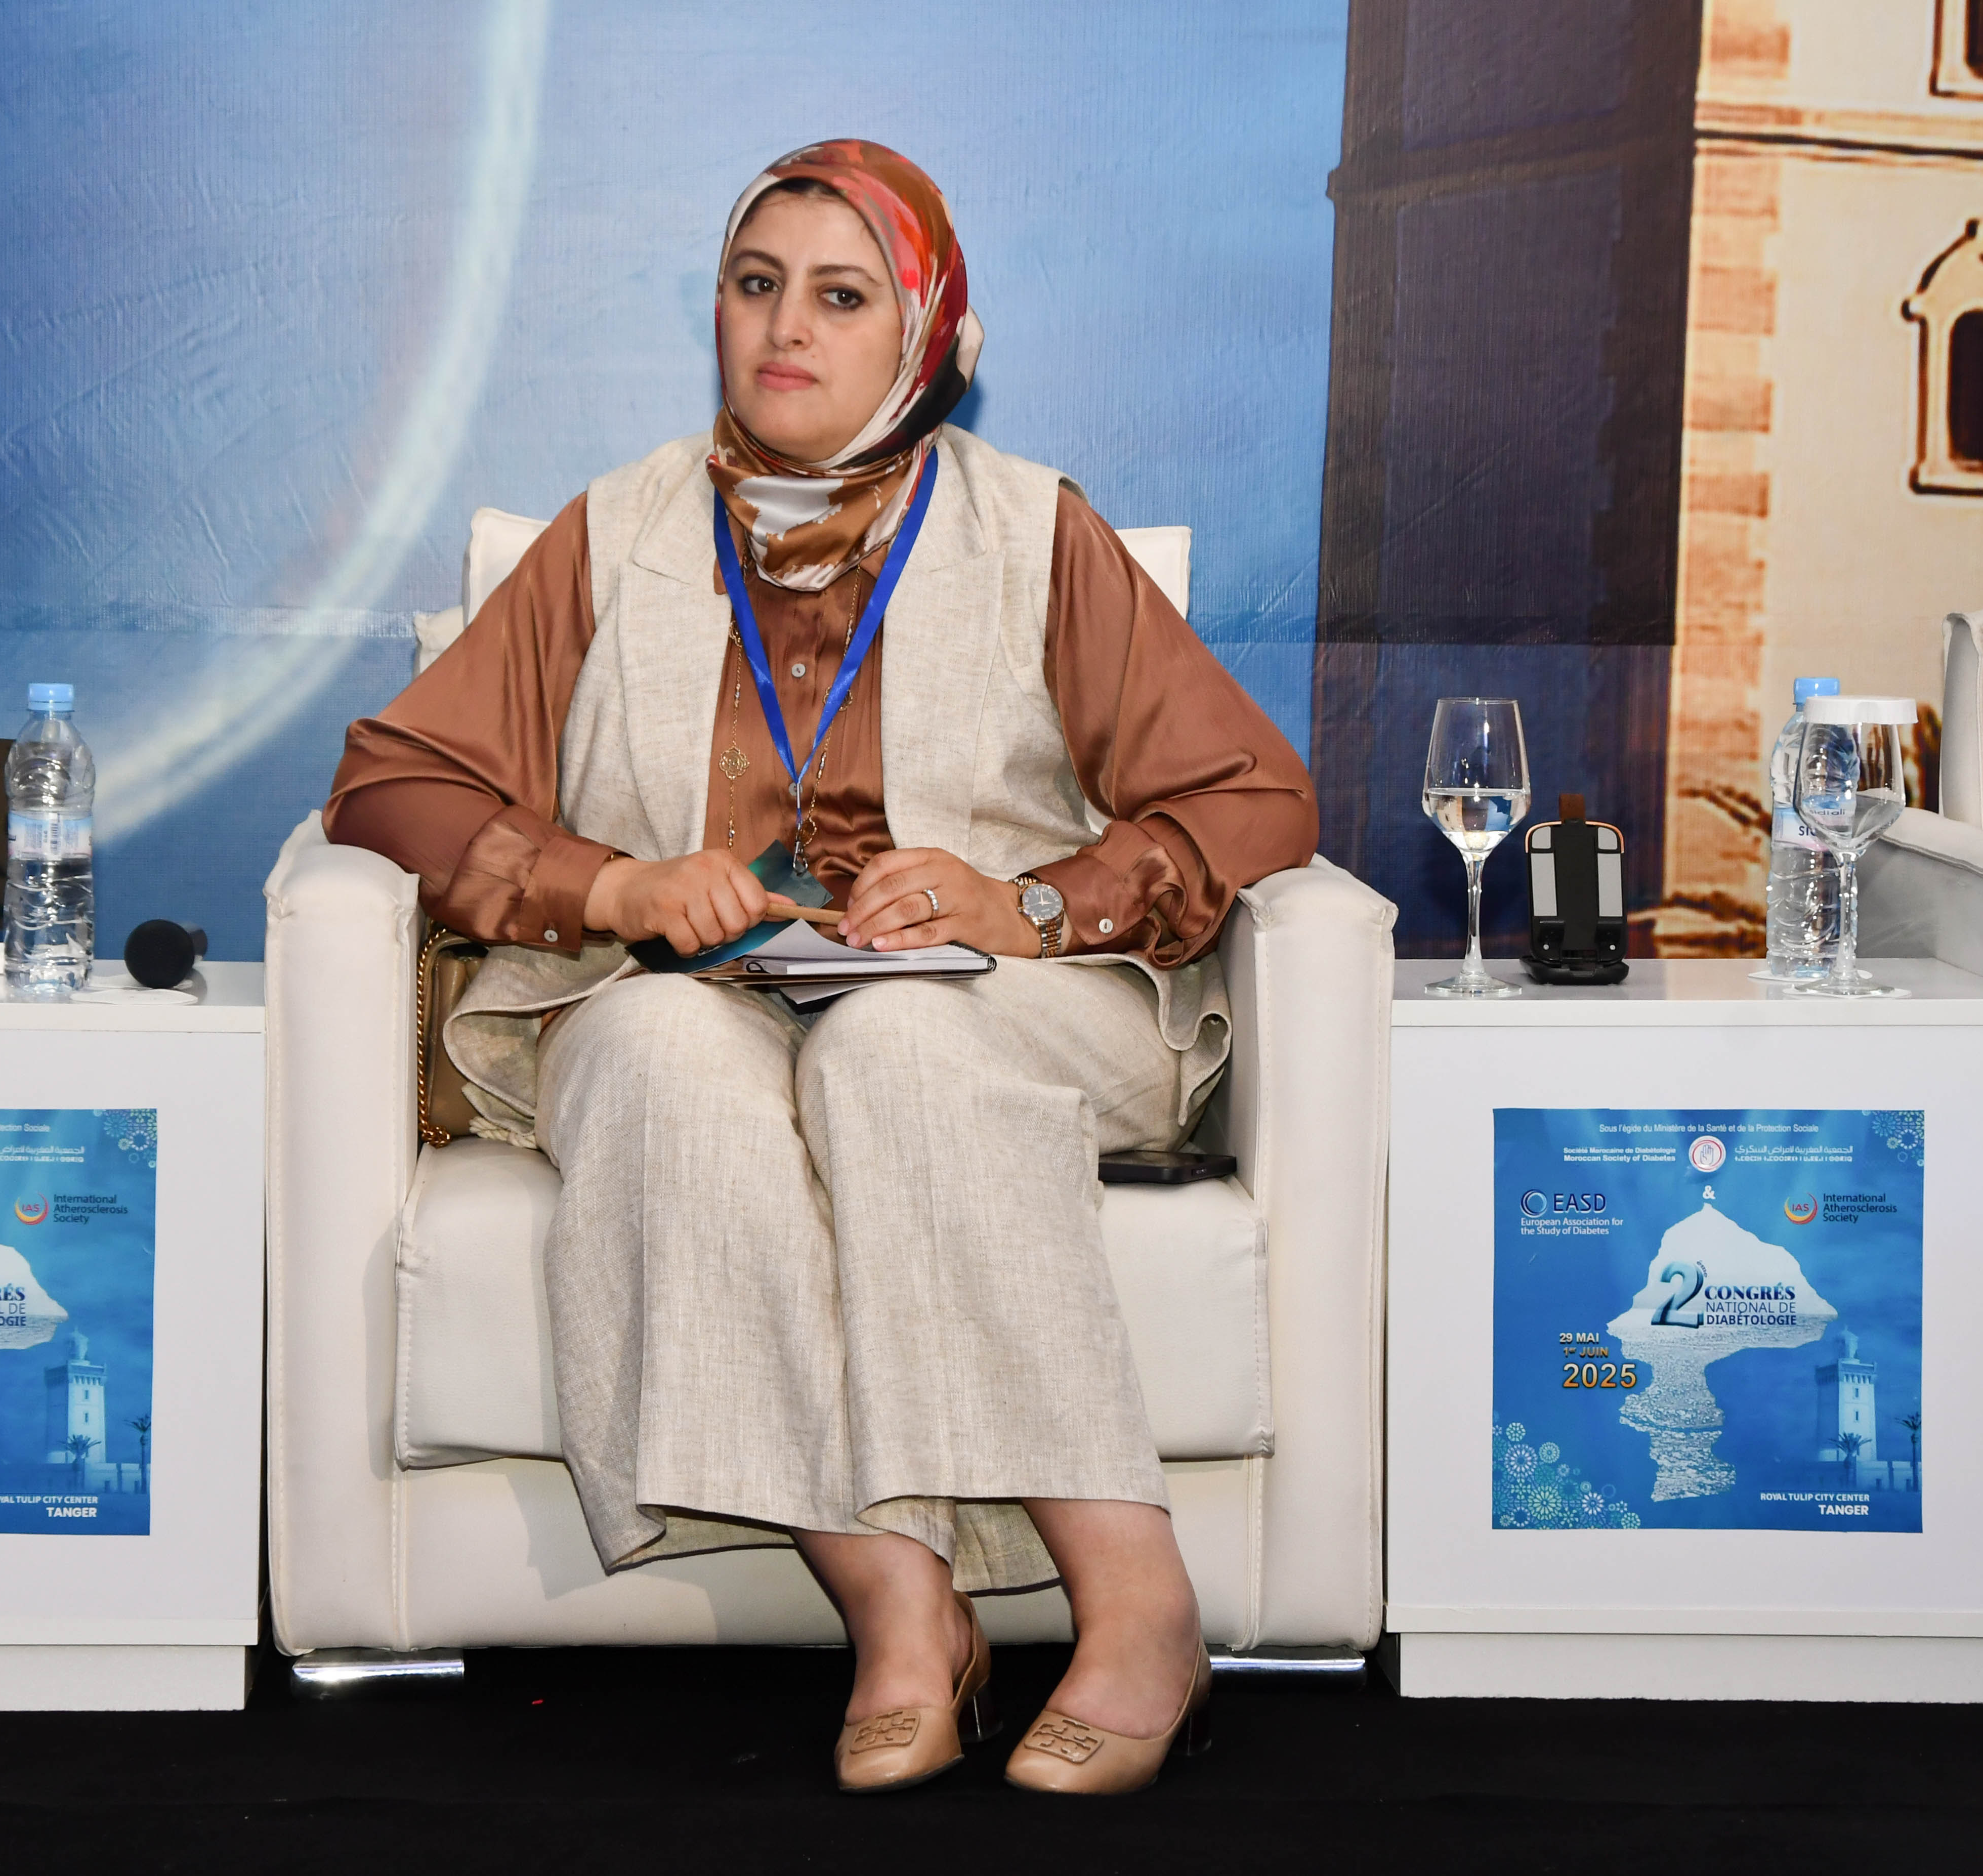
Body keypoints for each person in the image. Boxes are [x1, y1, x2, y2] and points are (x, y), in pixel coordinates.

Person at [326, 139, 1315, 1795]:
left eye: (842, 296)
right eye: (755, 283)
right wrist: (615, 881)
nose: (784, 327)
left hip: (1004, 1001)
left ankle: (1140, 1606)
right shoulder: (617, 531)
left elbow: (1253, 799)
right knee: (652, 1060)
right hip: (695, 997)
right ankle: (900, 1610)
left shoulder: (1033, 530)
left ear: (925, 338)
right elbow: (392, 781)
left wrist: (1026, 899)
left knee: (891, 1052)